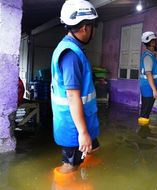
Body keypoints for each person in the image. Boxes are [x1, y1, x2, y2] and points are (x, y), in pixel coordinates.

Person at [50, 0, 100, 174]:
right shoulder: (70, 54)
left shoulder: (73, 49)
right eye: (93, 26)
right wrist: (83, 132)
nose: (93, 31)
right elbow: (72, 97)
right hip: (74, 128)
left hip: (82, 122)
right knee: (70, 167)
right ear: (85, 27)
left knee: (94, 151)